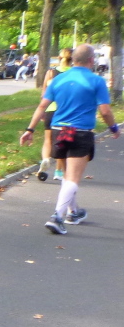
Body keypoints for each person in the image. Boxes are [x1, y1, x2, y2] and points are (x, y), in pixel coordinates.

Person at [20, 44, 119, 235]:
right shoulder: (96, 81)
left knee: (67, 174)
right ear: (91, 60)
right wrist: (113, 128)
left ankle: (74, 212)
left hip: (58, 131)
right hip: (81, 132)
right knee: (73, 178)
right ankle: (57, 217)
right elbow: (105, 111)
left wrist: (30, 129)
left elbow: (42, 106)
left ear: (73, 59)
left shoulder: (58, 79)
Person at [37, 48, 73, 181]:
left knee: (48, 140)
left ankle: (46, 159)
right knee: (61, 143)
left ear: (59, 58)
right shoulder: (74, 73)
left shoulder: (51, 72)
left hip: (50, 110)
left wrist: (42, 111)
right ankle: (58, 172)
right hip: (65, 112)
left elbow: (44, 94)